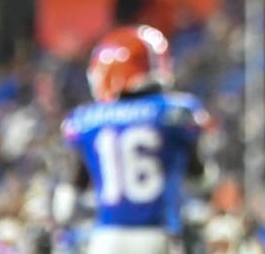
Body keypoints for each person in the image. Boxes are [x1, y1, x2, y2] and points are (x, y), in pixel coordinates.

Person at [60, 25, 211, 254]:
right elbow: (199, 179)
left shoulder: (87, 120)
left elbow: (69, 200)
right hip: (160, 234)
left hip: (107, 238)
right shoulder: (176, 112)